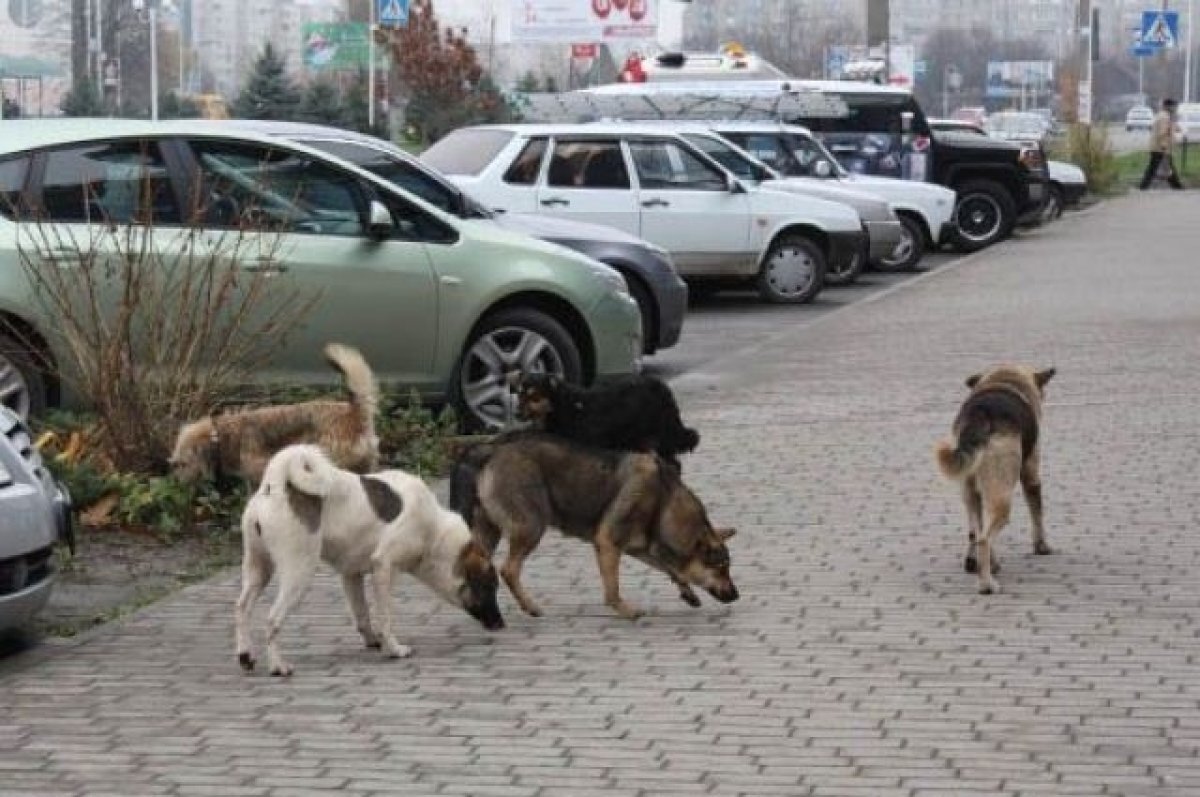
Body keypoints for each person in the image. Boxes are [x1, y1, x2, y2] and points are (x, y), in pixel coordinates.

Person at [1140, 98, 1183, 190]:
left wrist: (1176, 126)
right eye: (1174, 107)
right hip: (1160, 148)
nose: (1176, 109)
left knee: (1160, 168)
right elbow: (1162, 133)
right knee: (1157, 168)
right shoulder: (1165, 117)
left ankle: (1177, 187)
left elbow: (1171, 128)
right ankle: (1177, 187)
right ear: (1169, 107)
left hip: (1158, 147)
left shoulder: (1164, 116)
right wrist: (1164, 146)